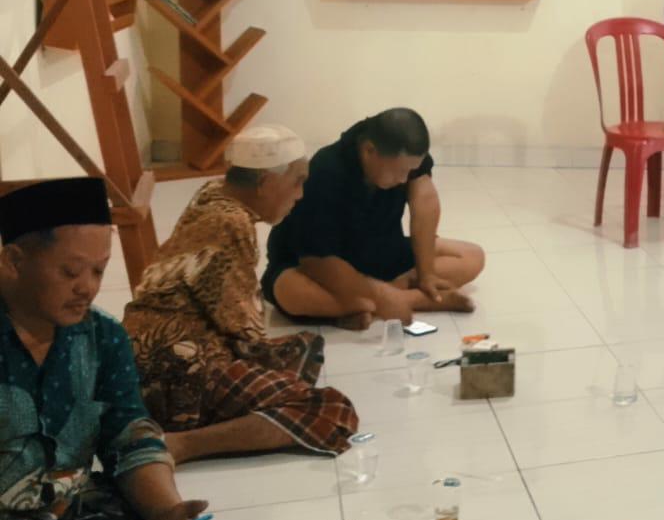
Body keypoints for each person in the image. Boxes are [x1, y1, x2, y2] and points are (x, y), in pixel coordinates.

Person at [124, 125, 359, 465]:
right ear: (265, 183)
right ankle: (182, 444)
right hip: (177, 370)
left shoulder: (212, 194)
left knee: (304, 347)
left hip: (142, 359)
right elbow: (242, 330)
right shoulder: (231, 223)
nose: (300, 195)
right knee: (331, 411)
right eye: (297, 182)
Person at [0, 178, 207, 520]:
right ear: (14, 260)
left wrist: (168, 511)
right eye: (71, 272)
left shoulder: (101, 335)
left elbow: (127, 438)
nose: (88, 287)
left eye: (99, 270)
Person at [262, 108, 486, 325]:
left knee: (471, 256)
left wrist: (427, 274)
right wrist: (381, 296)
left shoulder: (405, 156)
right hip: (324, 266)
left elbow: (425, 202)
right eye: (399, 171)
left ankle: (368, 304)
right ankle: (413, 300)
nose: (403, 179)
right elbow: (317, 262)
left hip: (380, 253)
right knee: (290, 292)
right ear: (370, 151)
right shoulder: (326, 170)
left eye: (410, 171)